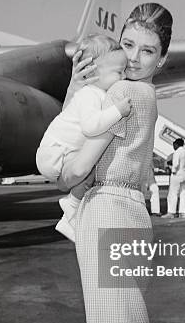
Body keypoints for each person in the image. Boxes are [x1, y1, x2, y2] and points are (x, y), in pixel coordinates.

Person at [59, 3, 173, 323]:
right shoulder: (129, 91)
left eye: (148, 51)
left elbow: (74, 156)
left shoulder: (132, 93)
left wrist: (74, 87)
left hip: (110, 211)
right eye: (127, 45)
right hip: (118, 212)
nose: (133, 57)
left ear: (161, 60)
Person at [35, 34, 131, 241]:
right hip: (56, 154)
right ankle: (71, 206)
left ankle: (71, 211)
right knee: (91, 172)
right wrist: (118, 111)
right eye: (119, 72)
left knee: (92, 174)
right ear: (94, 72)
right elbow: (90, 127)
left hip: (62, 152)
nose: (124, 77)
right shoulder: (89, 95)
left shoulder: (95, 94)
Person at [162, 138, 185, 219]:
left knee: (173, 194)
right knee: (183, 193)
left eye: (174, 145)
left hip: (177, 174)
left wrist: (173, 171)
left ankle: (171, 213)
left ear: (177, 144)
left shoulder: (177, 152)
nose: (173, 146)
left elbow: (175, 164)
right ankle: (182, 213)